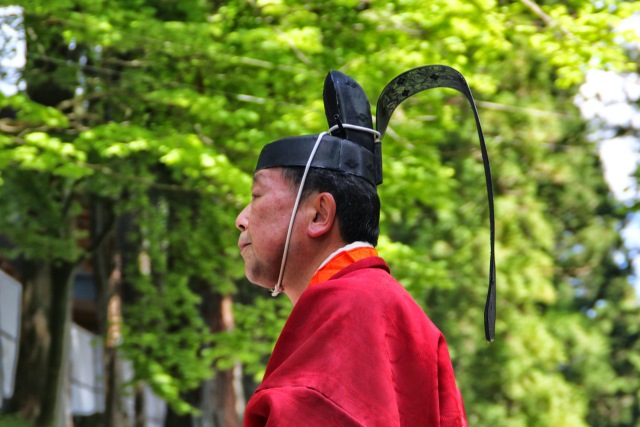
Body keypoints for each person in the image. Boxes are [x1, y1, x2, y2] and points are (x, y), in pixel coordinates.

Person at [236, 66, 494, 426]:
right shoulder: (394, 310)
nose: (242, 218)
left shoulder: (351, 305)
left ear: (319, 214)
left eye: (257, 196)